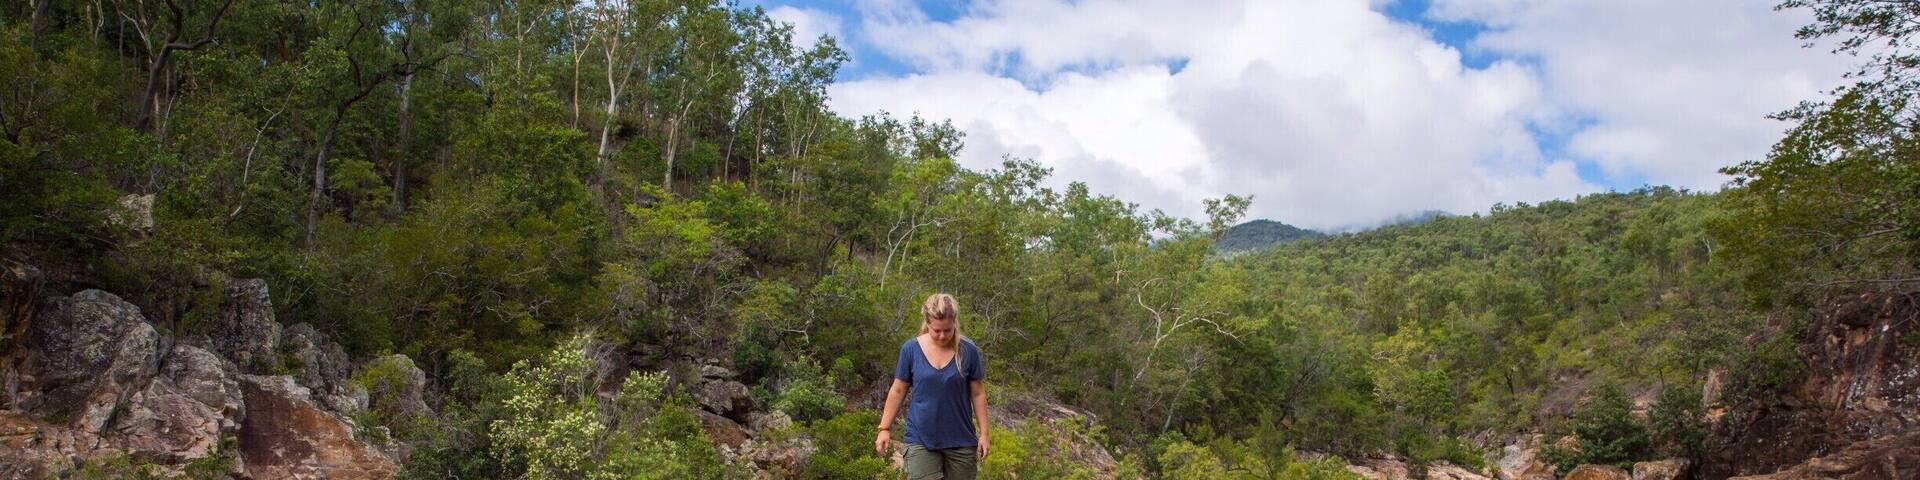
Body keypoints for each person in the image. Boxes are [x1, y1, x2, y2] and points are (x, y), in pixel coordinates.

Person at [875, 293, 990, 479]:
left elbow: (977, 394)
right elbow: (898, 390)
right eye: (937, 330)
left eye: (948, 330)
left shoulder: (969, 350)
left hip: (961, 440)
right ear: (927, 323)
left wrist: (984, 434)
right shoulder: (910, 350)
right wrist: (884, 428)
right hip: (920, 439)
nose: (943, 335)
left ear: (955, 323)